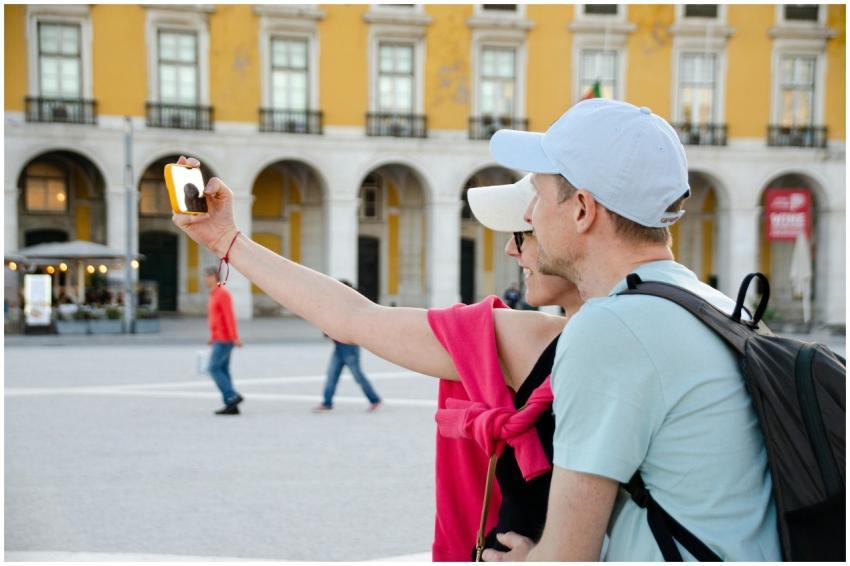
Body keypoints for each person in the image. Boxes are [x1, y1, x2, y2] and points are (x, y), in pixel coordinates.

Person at [171, 157, 582, 560]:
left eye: (525, 230)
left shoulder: (534, 343)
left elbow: (353, 317)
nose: (512, 248)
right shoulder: (570, 336)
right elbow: (352, 316)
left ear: (584, 218)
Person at [478, 98, 780, 561]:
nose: (528, 215)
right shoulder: (713, 305)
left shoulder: (610, 328)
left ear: (582, 209)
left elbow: (566, 557)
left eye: (538, 195)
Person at [313, 279, 383, 413]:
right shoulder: (338, 305)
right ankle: (327, 402)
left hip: (349, 346)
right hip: (339, 345)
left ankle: (375, 399)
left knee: (357, 375)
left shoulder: (350, 306)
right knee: (332, 374)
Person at [203, 265, 244, 415]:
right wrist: (211, 336)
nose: (204, 279)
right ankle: (231, 405)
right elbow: (216, 319)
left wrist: (235, 337)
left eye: (207, 276)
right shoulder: (213, 294)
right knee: (224, 370)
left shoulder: (222, 294)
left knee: (213, 368)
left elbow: (229, 317)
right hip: (218, 337)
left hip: (225, 339)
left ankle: (231, 396)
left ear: (215, 277)